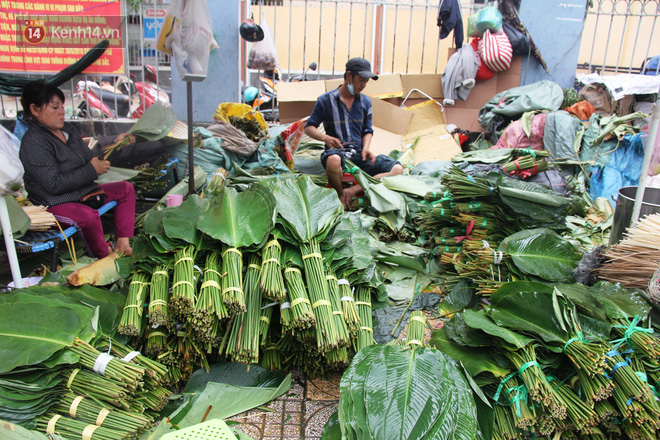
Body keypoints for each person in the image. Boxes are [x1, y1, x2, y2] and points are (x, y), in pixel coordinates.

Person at [19, 80, 136, 258]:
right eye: (54, 107)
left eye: (62, 106)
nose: (61, 111)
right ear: (35, 110)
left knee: (125, 189)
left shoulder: (67, 130)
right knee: (87, 216)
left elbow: (88, 155)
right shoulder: (34, 142)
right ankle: (106, 256)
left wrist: (115, 142)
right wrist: (91, 170)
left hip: (83, 193)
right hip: (54, 203)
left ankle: (123, 242)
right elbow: (54, 184)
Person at [304, 57, 403, 209]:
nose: (363, 85)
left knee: (397, 169)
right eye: (361, 80)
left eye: (366, 82)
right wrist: (326, 138)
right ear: (349, 75)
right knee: (334, 160)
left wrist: (365, 148)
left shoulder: (365, 102)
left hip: (358, 154)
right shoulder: (325, 100)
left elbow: (368, 131)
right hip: (337, 153)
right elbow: (309, 127)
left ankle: (353, 190)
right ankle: (340, 194)